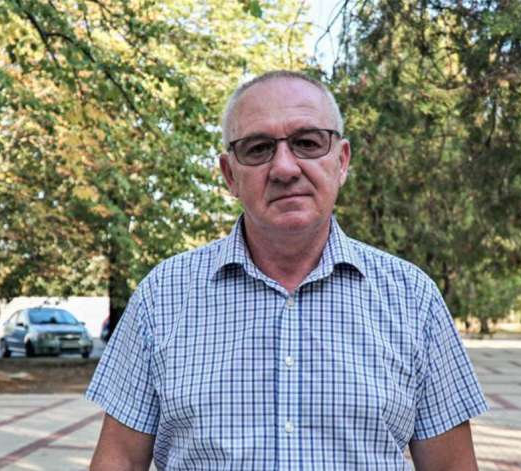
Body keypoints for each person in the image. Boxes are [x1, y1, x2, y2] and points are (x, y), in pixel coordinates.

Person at [87, 70, 488, 470]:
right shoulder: (162, 297)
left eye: (307, 143)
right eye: (258, 148)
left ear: (342, 160)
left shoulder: (412, 298)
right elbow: (119, 460)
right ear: (230, 175)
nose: (284, 168)